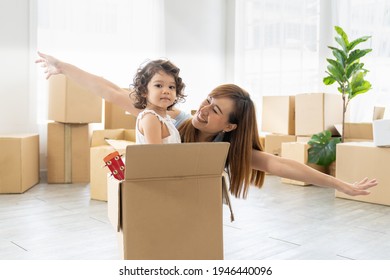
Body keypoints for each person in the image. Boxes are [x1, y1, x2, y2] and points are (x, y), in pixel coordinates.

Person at [36, 52, 378, 198]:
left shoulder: (223, 148)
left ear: (229, 127)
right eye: (207, 101)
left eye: (215, 111)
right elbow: (110, 91)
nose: (203, 111)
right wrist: (63, 66)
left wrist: (341, 185)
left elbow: (282, 164)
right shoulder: (172, 119)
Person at [131, 59, 186, 144]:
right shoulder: (150, 118)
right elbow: (156, 154)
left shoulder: (165, 118)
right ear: (144, 91)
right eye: (159, 85)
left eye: (171, 87)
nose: (166, 91)